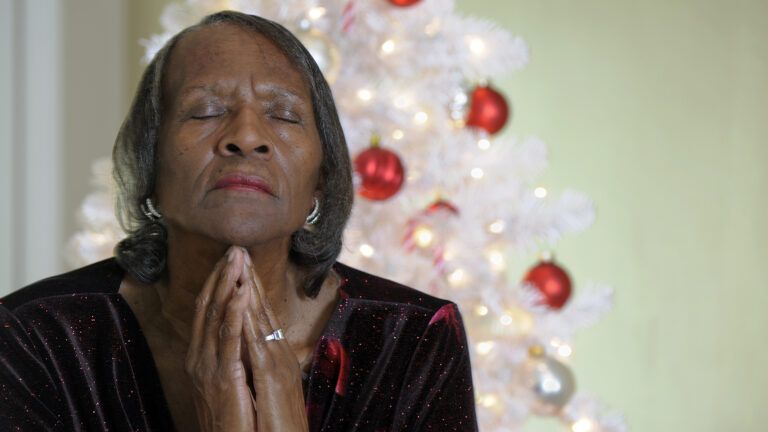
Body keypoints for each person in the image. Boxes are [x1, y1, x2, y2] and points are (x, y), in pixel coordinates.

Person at [0, 11, 477, 432]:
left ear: (320, 179)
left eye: (284, 116)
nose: (247, 137)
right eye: (205, 111)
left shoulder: (415, 338)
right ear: (149, 167)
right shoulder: (36, 336)